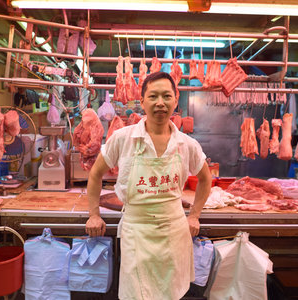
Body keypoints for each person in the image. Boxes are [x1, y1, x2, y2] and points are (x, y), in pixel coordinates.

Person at [85, 72, 212, 300]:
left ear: (175, 99)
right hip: (137, 232)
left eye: (166, 96)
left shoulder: (187, 144)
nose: (160, 103)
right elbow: (95, 174)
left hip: (174, 232)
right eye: (153, 96)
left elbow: (205, 178)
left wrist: (194, 216)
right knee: (136, 293)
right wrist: (93, 215)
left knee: (172, 293)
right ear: (142, 101)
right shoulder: (123, 138)